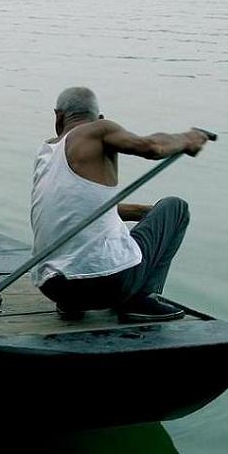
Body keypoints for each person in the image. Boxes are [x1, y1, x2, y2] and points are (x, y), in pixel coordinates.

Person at [30, 86, 210, 322]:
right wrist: (188, 139)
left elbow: (80, 210)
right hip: (107, 284)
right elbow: (152, 147)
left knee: (156, 213)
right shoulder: (99, 130)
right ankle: (141, 300)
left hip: (54, 286)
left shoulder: (46, 152)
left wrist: (144, 213)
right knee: (175, 208)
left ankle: (71, 305)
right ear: (100, 119)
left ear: (58, 116)